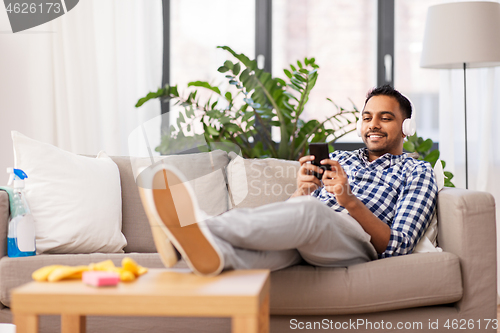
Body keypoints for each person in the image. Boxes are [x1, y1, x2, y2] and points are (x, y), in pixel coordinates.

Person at [139, 85, 438, 276]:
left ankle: (196, 226)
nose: (373, 124)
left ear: (405, 127)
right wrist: (302, 191)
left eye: (385, 118)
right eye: (367, 117)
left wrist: (348, 200)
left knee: (312, 212)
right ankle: (211, 254)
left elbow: (397, 246)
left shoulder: (416, 171)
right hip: (315, 239)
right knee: (266, 253)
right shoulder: (342, 160)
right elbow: (300, 212)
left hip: (358, 247)